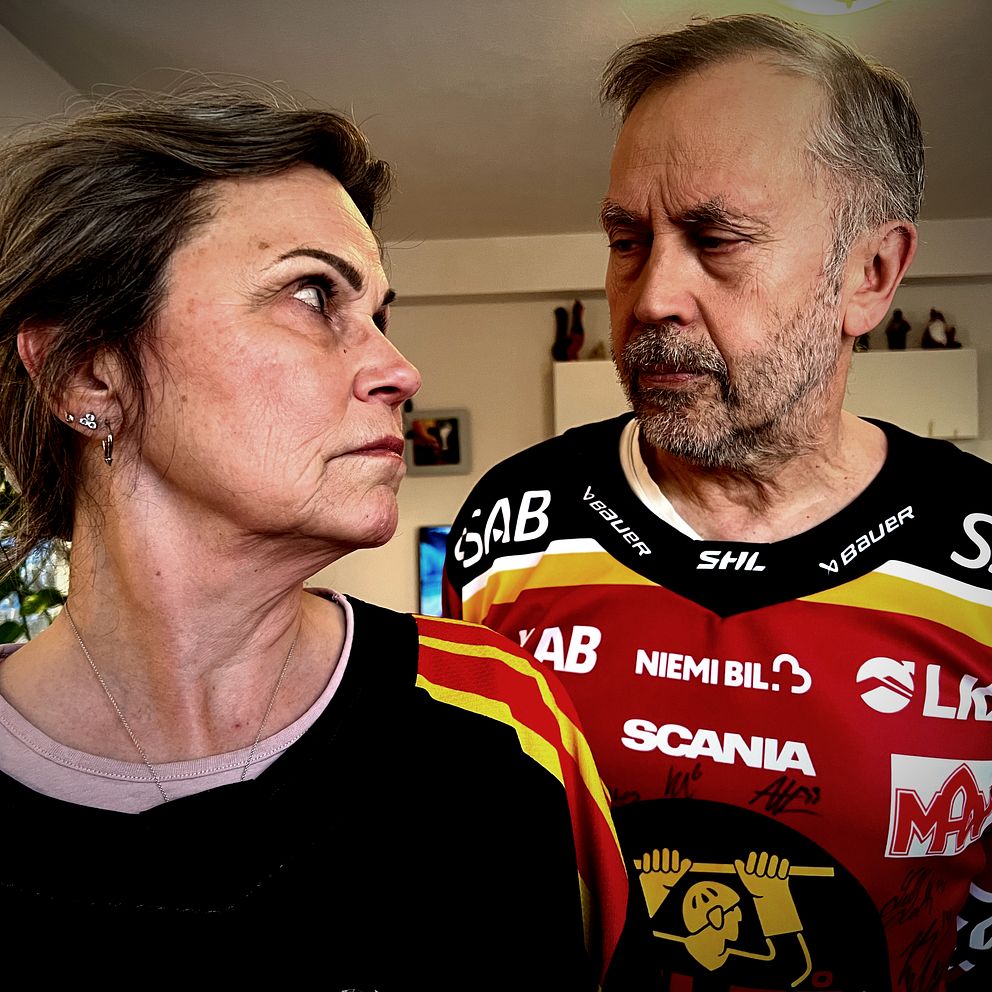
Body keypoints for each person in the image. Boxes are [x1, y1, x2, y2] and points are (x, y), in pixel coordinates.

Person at [0, 83, 627, 985]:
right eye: (311, 294)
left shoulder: (500, 723)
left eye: (379, 315)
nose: (400, 369)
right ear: (87, 373)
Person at [443, 14, 992, 992]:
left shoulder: (977, 555)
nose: (650, 296)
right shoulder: (512, 526)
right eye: (626, 240)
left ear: (868, 276)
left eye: (716, 239)